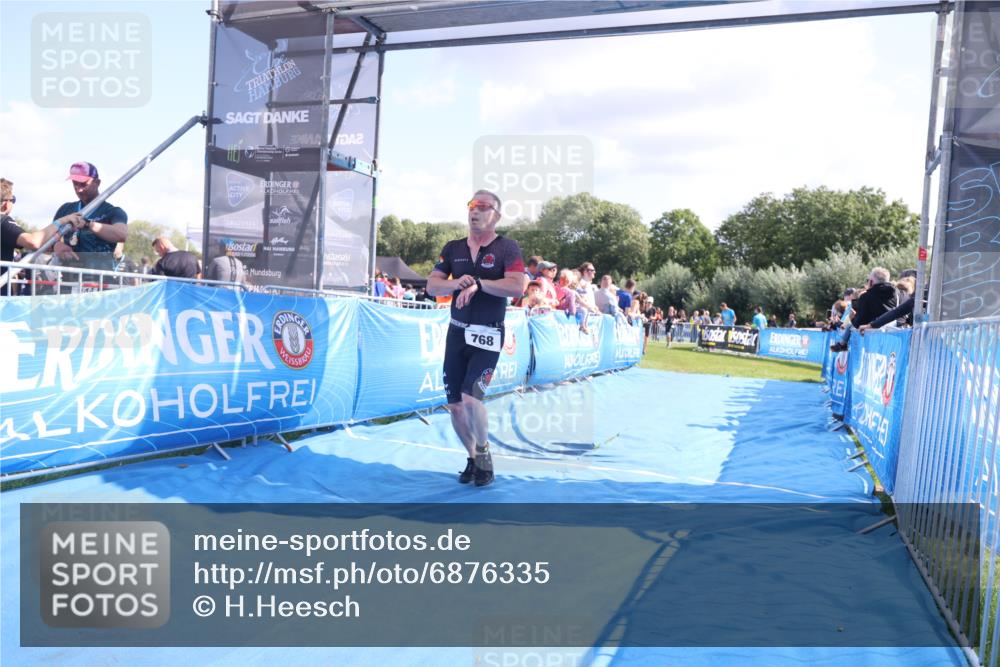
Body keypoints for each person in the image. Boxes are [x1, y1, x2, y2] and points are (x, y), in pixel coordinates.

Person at [426, 190, 527, 488]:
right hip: (457, 332)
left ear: (496, 215)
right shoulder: (453, 247)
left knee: (472, 399)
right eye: (472, 205)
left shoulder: (507, 247)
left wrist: (480, 285)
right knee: (456, 405)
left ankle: (484, 454)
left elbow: (517, 286)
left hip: (488, 332)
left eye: (483, 207)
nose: (476, 211)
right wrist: (456, 282)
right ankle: (472, 457)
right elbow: (432, 285)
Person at [41, 162, 128, 278]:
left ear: (97, 183)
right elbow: (44, 239)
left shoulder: (113, 211)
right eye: (75, 184)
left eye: (83, 184)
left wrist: (88, 224)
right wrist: (56, 246)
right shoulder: (66, 209)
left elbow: (121, 234)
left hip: (100, 281)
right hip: (69, 280)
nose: (78, 189)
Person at [830, 267, 897, 351]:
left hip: (872, 336)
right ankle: (841, 344)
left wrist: (852, 317)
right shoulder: (895, 294)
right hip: (891, 334)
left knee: (851, 327)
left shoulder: (866, 297)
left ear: (871, 282)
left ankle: (841, 344)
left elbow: (858, 323)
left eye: (868, 280)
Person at [1, 178, 45, 295]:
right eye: (13, 200)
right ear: (5, 203)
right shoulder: (3, 221)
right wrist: (60, 223)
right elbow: (33, 242)